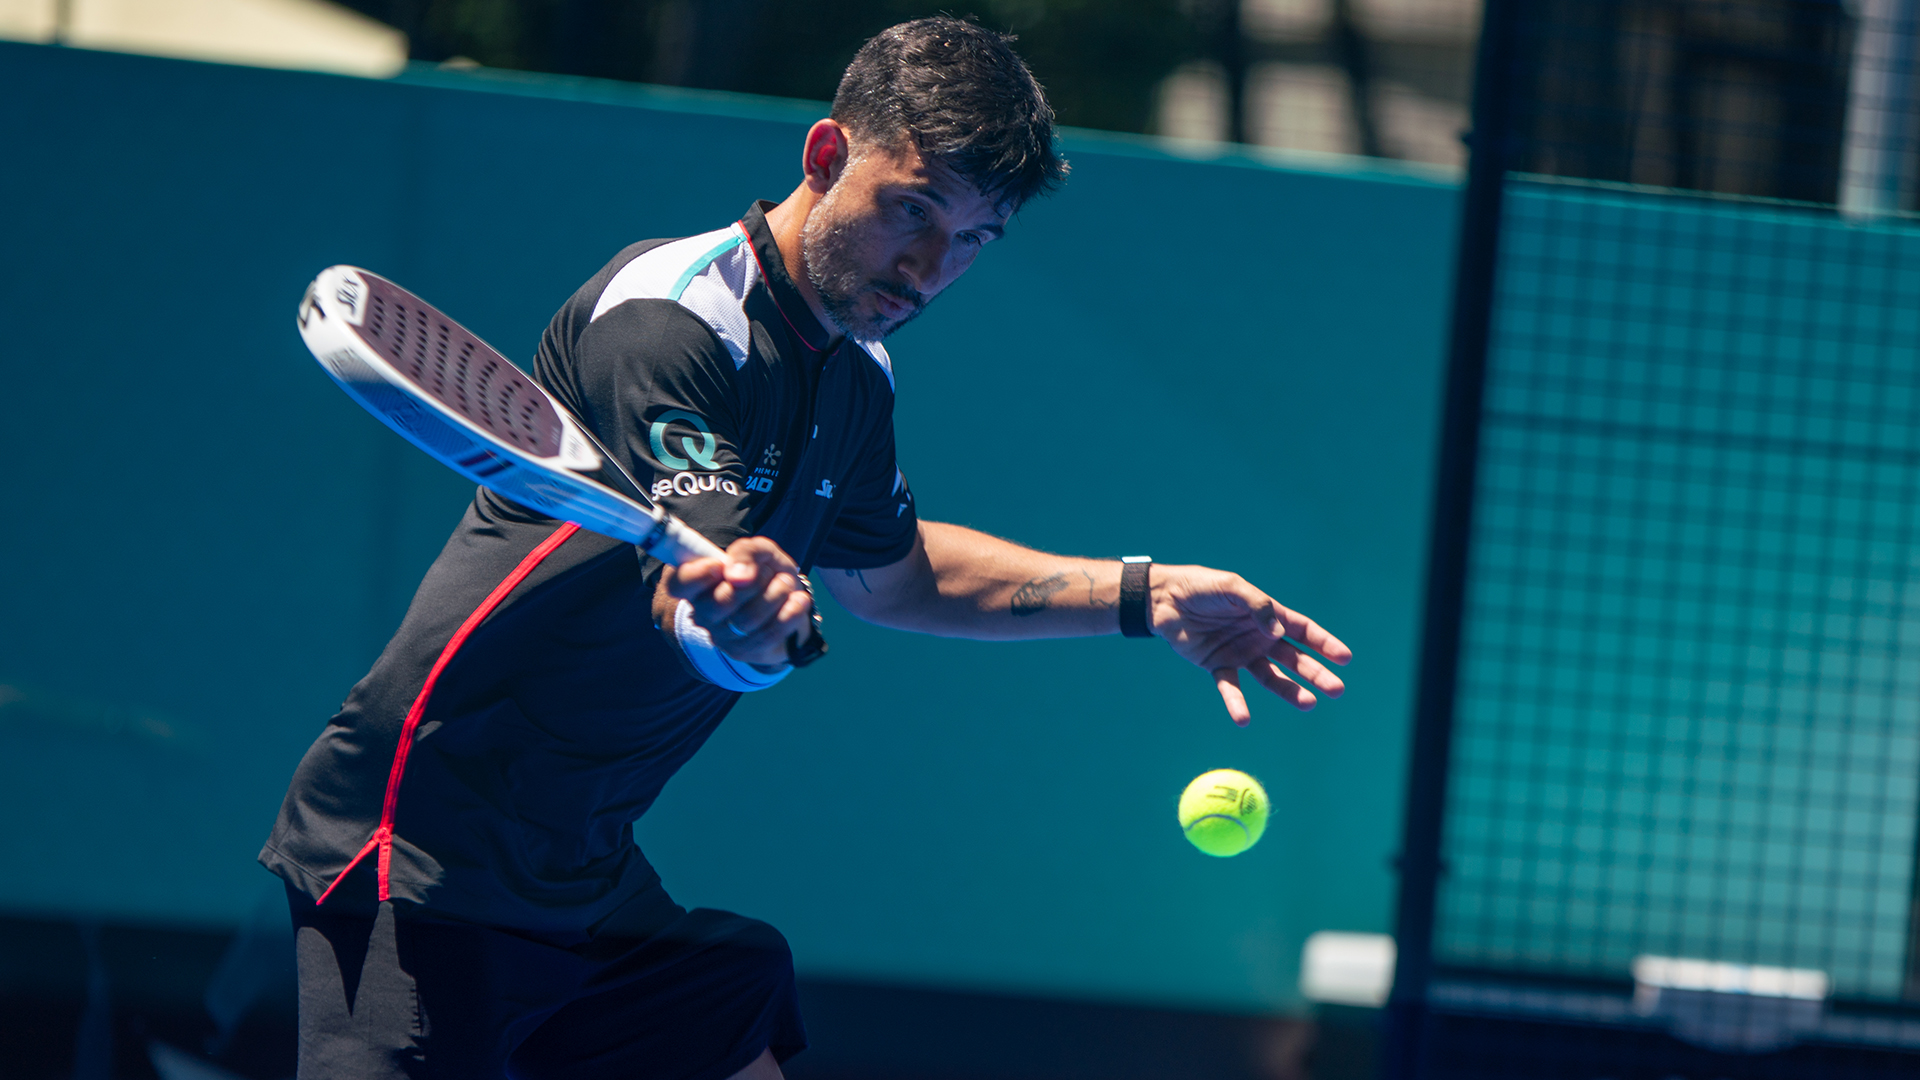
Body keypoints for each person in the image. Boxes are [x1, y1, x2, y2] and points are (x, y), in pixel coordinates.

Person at [261, 16, 1351, 1080]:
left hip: (578, 863)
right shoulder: (668, 323)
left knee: (720, 1007)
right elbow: (692, 594)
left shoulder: (855, 368)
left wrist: (1146, 594)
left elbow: (897, 578)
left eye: (973, 239)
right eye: (914, 209)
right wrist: (738, 634)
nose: (928, 267)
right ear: (826, 156)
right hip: (425, 848)